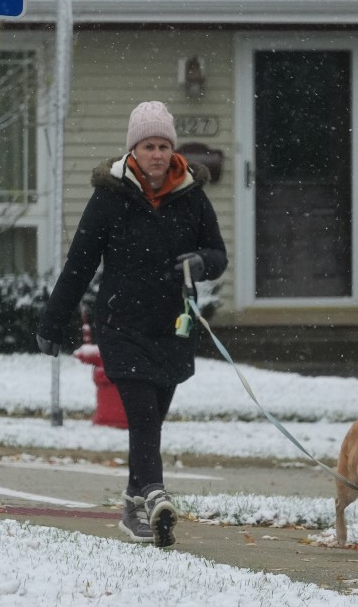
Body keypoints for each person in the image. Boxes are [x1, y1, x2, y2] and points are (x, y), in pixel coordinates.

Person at [36, 100, 227, 548]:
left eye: (163, 145)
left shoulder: (192, 196)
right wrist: (52, 320)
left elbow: (218, 255)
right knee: (141, 415)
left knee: (152, 419)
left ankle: (132, 501)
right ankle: (156, 496)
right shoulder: (110, 197)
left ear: (172, 149)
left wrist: (201, 262)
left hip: (173, 326)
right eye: (148, 146)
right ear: (133, 150)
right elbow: (79, 265)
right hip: (121, 324)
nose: (157, 154)